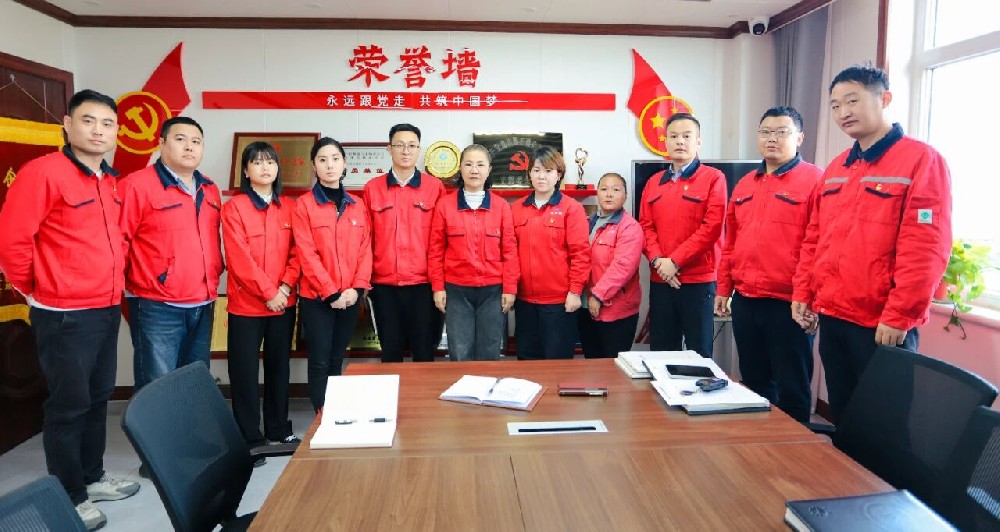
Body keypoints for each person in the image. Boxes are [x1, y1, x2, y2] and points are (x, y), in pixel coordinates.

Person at [0, 89, 139, 530]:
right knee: (69, 404)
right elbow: (12, 242)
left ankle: (92, 477)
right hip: (63, 312)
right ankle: (69, 494)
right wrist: (36, 290)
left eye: (107, 124)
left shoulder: (108, 180)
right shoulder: (43, 173)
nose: (98, 131)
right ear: (67, 124)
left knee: (97, 397)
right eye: (88, 121)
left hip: (105, 306)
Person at [791, 65, 952, 424]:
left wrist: (900, 315)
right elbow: (815, 236)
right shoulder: (836, 168)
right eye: (835, 106)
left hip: (881, 323)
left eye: (852, 101)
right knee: (845, 416)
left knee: (884, 424)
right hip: (834, 316)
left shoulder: (921, 160)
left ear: (885, 99)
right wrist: (804, 291)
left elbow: (925, 248)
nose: (843, 112)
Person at [715, 106, 822, 424]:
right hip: (746, 301)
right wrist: (724, 288)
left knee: (792, 387)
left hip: (789, 304)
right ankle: (760, 445)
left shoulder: (815, 180)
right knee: (755, 383)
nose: (771, 138)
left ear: (799, 138)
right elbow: (731, 241)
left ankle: (794, 449)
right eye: (765, 132)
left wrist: (806, 296)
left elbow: (817, 245)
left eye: (781, 132)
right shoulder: (746, 183)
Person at [120, 116, 223, 391]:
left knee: (195, 382)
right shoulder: (136, 185)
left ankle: (189, 423)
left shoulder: (209, 188)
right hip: (157, 305)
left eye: (196, 142)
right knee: (158, 386)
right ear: (162, 143)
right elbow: (118, 241)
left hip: (203, 302)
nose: (189, 147)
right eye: (180, 139)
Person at [222, 141, 301, 452]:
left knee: (279, 369)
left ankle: (278, 431)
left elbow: (298, 252)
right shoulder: (235, 208)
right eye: (256, 162)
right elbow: (239, 258)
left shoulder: (290, 207)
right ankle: (250, 439)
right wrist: (269, 292)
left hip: (283, 303)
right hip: (247, 305)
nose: (264, 167)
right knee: (243, 373)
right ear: (246, 171)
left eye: (270, 162)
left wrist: (285, 288)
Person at [639, 113, 727, 358]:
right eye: (674, 136)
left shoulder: (714, 178)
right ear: (665, 142)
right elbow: (645, 226)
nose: (680, 141)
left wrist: (675, 262)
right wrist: (659, 262)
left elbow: (711, 228)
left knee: (699, 353)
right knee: (661, 352)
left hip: (698, 281)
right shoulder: (654, 182)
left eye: (687, 136)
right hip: (661, 280)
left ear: (698, 141)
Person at [294, 137, 372, 411]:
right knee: (319, 360)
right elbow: (306, 254)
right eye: (323, 160)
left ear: (344, 164)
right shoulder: (304, 205)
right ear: (314, 166)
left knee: (337, 358)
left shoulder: (357, 205)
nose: (330, 165)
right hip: (318, 299)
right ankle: (321, 415)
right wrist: (330, 293)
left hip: (349, 297)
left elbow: (365, 249)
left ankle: (335, 412)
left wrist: (356, 289)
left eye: (335, 159)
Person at [428, 144, 519, 361]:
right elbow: (435, 250)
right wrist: (438, 287)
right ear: (460, 168)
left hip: (493, 290)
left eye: (480, 165)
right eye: (468, 164)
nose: (474, 170)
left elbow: (510, 251)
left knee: (490, 350)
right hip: (456, 290)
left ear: (489, 170)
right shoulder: (445, 205)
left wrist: (510, 288)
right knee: (460, 351)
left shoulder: (501, 207)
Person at [363, 124, 445, 363]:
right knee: (390, 352)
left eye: (411, 146)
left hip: (423, 285)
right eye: (399, 145)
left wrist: (439, 283)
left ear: (419, 149)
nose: (405, 151)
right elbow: (365, 239)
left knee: (424, 351)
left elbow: (441, 240)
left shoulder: (434, 187)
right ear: (389, 149)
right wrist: (364, 280)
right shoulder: (373, 188)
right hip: (384, 285)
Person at [511, 146, 590, 360]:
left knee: (558, 364)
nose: (541, 176)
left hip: (559, 303)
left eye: (548, 171)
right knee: (526, 360)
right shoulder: (516, 209)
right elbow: (509, 253)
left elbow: (581, 254)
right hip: (524, 302)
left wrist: (575, 292)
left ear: (559, 174)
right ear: (529, 174)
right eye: (536, 170)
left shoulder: (571, 208)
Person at [577, 172, 643, 359]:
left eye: (616, 190)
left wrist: (598, 296)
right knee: (592, 363)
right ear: (597, 193)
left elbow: (623, 267)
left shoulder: (629, 227)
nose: (609, 194)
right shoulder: (586, 223)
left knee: (613, 366)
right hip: (585, 307)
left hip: (615, 310)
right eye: (604, 189)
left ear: (625, 196)